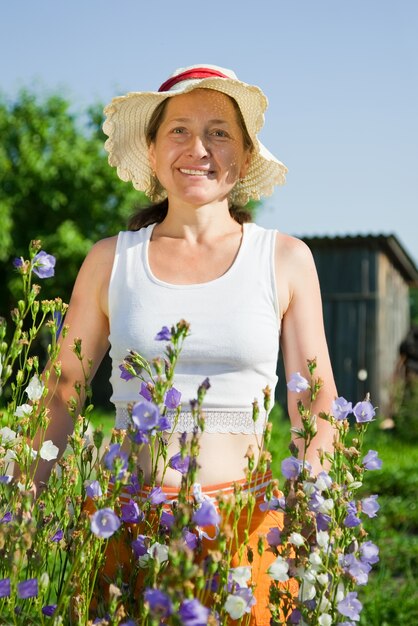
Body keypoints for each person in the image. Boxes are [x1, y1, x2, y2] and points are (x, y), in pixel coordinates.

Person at [33, 64, 337, 624]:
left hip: (251, 534)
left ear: (244, 158)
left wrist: (309, 521)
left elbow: (315, 405)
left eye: (219, 131)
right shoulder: (111, 260)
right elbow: (62, 392)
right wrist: (23, 508)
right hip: (128, 531)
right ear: (152, 151)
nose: (198, 148)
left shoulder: (285, 259)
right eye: (179, 130)